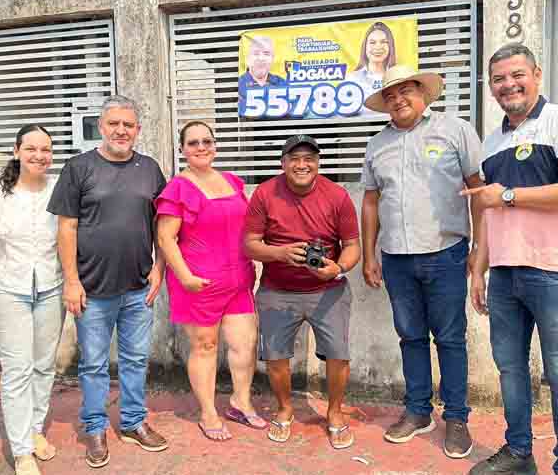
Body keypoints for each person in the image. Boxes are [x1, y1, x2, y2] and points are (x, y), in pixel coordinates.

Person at [464, 43, 558, 475]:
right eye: (499, 79)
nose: (508, 85)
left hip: (554, 273)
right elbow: (486, 210)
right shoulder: (493, 141)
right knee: (510, 370)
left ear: (536, 75)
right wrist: (479, 267)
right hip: (504, 273)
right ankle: (519, 452)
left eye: (516, 75)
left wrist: (506, 195)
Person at [361, 64, 483, 459]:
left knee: (449, 338)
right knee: (410, 336)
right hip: (396, 257)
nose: (398, 99)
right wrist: (369, 254)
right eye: (390, 95)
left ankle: (457, 417)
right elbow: (370, 201)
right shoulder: (377, 144)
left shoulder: (455, 130)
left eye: (406, 90)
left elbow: (477, 189)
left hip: (445, 254)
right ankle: (417, 411)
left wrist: (480, 247)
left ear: (424, 93)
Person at [47, 95, 169, 468]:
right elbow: (66, 227)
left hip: (137, 287)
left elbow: (162, 223)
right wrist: (71, 280)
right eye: (113, 123)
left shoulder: (150, 169)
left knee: (135, 360)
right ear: (101, 127)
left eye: (127, 125)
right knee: (94, 364)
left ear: (137, 130)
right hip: (92, 289)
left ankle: (133, 421)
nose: (120, 131)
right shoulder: (78, 168)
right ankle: (96, 427)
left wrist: (159, 268)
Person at [243, 134, 361, 450]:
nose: (302, 164)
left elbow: (352, 246)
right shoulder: (265, 194)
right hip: (277, 290)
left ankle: (334, 413)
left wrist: (337, 268)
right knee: (276, 356)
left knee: (338, 354)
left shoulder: (337, 196)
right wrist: (281, 253)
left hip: (328, 290)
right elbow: (250, 244)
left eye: (309, 158)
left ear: (318, 163)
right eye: (294, 158)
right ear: (283, 163)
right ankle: (284, 409)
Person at [155, 121, 265, 441]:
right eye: (193, 143)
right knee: (205, 346)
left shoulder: (231, 181)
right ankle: (208, 412)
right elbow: (165, 237)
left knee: (245, 344)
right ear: (183, 150)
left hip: (237, 280)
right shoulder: (179, 187)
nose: (201, 147)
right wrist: (185, 277)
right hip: (198, 284)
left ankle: (240, 403)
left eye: (207, 141)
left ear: (215, 145)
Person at [0, 125, 63, 475]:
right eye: (31, 149)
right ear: (16, 151)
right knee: (17, 370)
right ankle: (22, 451)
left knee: (44, 366)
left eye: (46, 149)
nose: (39, 156)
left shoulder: (60, 190)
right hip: (7, 288)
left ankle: (34, 429)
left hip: (50, 286)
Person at [345, 21, 398, 115]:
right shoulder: (351, 79)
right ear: (365, 47)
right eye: (372, 42)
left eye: (384, 42)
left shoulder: (399, 78)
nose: (378, 47)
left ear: (390, 46)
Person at [238, 35, 286, 116]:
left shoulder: (282, 83)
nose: (261, 58)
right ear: (247, 58)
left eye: (266, 54)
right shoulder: (238, 84)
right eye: (256, 53)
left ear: (272, 58)